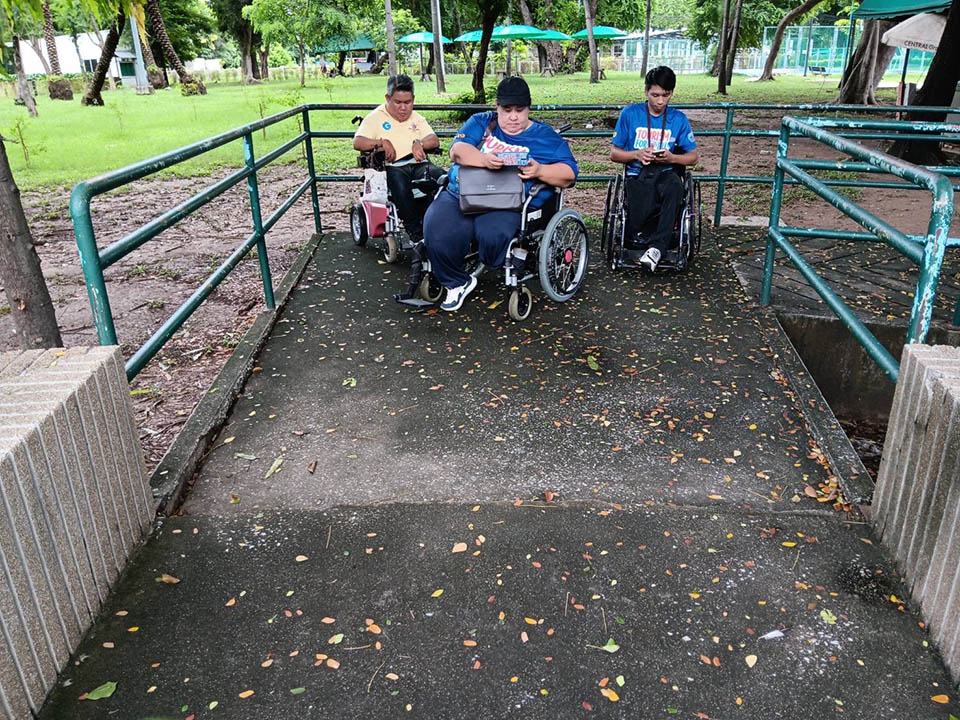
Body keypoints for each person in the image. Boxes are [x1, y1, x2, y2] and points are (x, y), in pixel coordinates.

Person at [423, 76, 579, 312]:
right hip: (462, 193)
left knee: (492, 234)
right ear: (497, 108)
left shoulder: (545, 136)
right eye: (507, 110)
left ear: (528, 108)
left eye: (519, 110)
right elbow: (457, 151)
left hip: (507, 203)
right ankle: (456, 282)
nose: (513, 117)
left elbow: (569, 174)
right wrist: (484, 160)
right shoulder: (481, 122)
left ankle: (490, 260)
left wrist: (540, 170)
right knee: (435, 227)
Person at [609, 65, 699, 272]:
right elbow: (614, 153)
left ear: (671, 93)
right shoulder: (630, 114)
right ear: (646, 91)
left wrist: (672, 158)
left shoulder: (678, 119)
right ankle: (639, 235)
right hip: (636, 173)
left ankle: (657, 248)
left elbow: (693, 157)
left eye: (666, 95)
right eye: (655, 95)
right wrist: (637, 154)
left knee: (675, 187)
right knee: (642, 192)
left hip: (666, 172)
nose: (660, 101)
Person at [353, 74, 445, 244]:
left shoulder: (417, 118)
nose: (403, 108)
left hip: (418, 164)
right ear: (388, 98)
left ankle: (443, 225)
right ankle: (416, 234)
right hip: (392, 166)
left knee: (443, 179)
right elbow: (358, 142)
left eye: (408, 102)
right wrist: (381, 142)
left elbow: (434, 140)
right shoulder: (375, 118)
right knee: (400, 186)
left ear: (413, 99)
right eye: (398, 102)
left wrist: (420, 143)